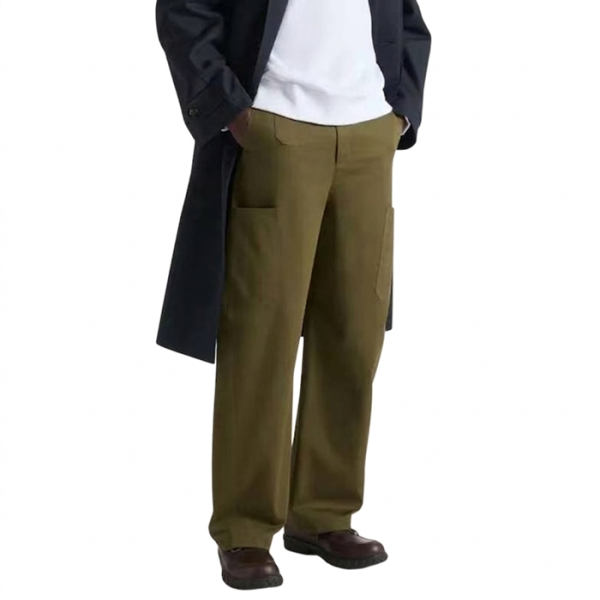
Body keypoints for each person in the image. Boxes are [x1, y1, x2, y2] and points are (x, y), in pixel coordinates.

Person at [155, 0, 431, 590]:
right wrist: (231, 111)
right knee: (261, 338)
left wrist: (401, 112)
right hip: (275, 129)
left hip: (369, 134)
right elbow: (184, 10)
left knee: (354, 334)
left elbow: (406, 19)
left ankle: (324, 515)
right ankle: (246, 530)